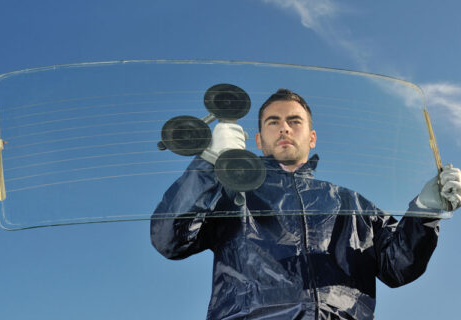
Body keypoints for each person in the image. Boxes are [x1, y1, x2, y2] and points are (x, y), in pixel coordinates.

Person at [150, 89, 461, 320]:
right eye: (273, 122)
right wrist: (208, 167)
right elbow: (170, 239)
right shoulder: (233, 198)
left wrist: (425, 209)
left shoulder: (350, 203)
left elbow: (398, 267)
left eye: (294, 121)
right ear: (258, 140)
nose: (284, 128)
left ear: (312, 137)